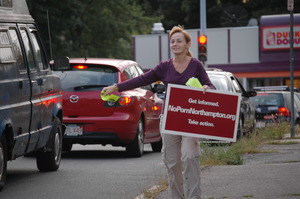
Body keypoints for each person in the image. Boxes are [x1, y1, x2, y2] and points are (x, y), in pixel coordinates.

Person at [102, 25, 216, 199]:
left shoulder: (195, 65)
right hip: (170, 119)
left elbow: (211, 86)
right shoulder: (164, 67)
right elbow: (141, 79)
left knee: (190, 157)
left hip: (190, 120)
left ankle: (194, 197)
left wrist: (208, 87)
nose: (175, 44)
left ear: (188, 44)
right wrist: (116, 87)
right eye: (172, 41)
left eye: (179, 41)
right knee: (172, 163)